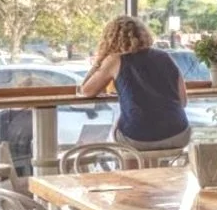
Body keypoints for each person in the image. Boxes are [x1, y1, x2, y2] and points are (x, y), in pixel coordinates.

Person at [78, 15, 190, 151]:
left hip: (136, 137)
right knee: (156, 157)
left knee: (123, 139)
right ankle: (158, 171)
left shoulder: (115, 60)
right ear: (144, 34)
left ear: (110, 39)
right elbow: (183, 102)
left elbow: (86, 91)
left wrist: (99, 61)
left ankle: (131, 171)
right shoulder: (165, 57)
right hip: (178, 133)